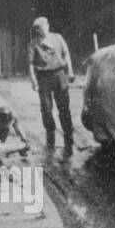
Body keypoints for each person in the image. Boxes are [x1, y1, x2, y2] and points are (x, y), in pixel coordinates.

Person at [27, 17, 75, 153]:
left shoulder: (57, 38)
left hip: (59, 74)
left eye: (42, 27)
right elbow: (30, 64)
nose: (41, 30)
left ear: (47, 26)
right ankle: (50, 134)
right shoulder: (33, 44)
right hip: (43, 78)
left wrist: (70, 71)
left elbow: (66, 54)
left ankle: (68, 135)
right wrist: (33, 80)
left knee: (64, 106)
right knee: (46, 108)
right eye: (37, 29)